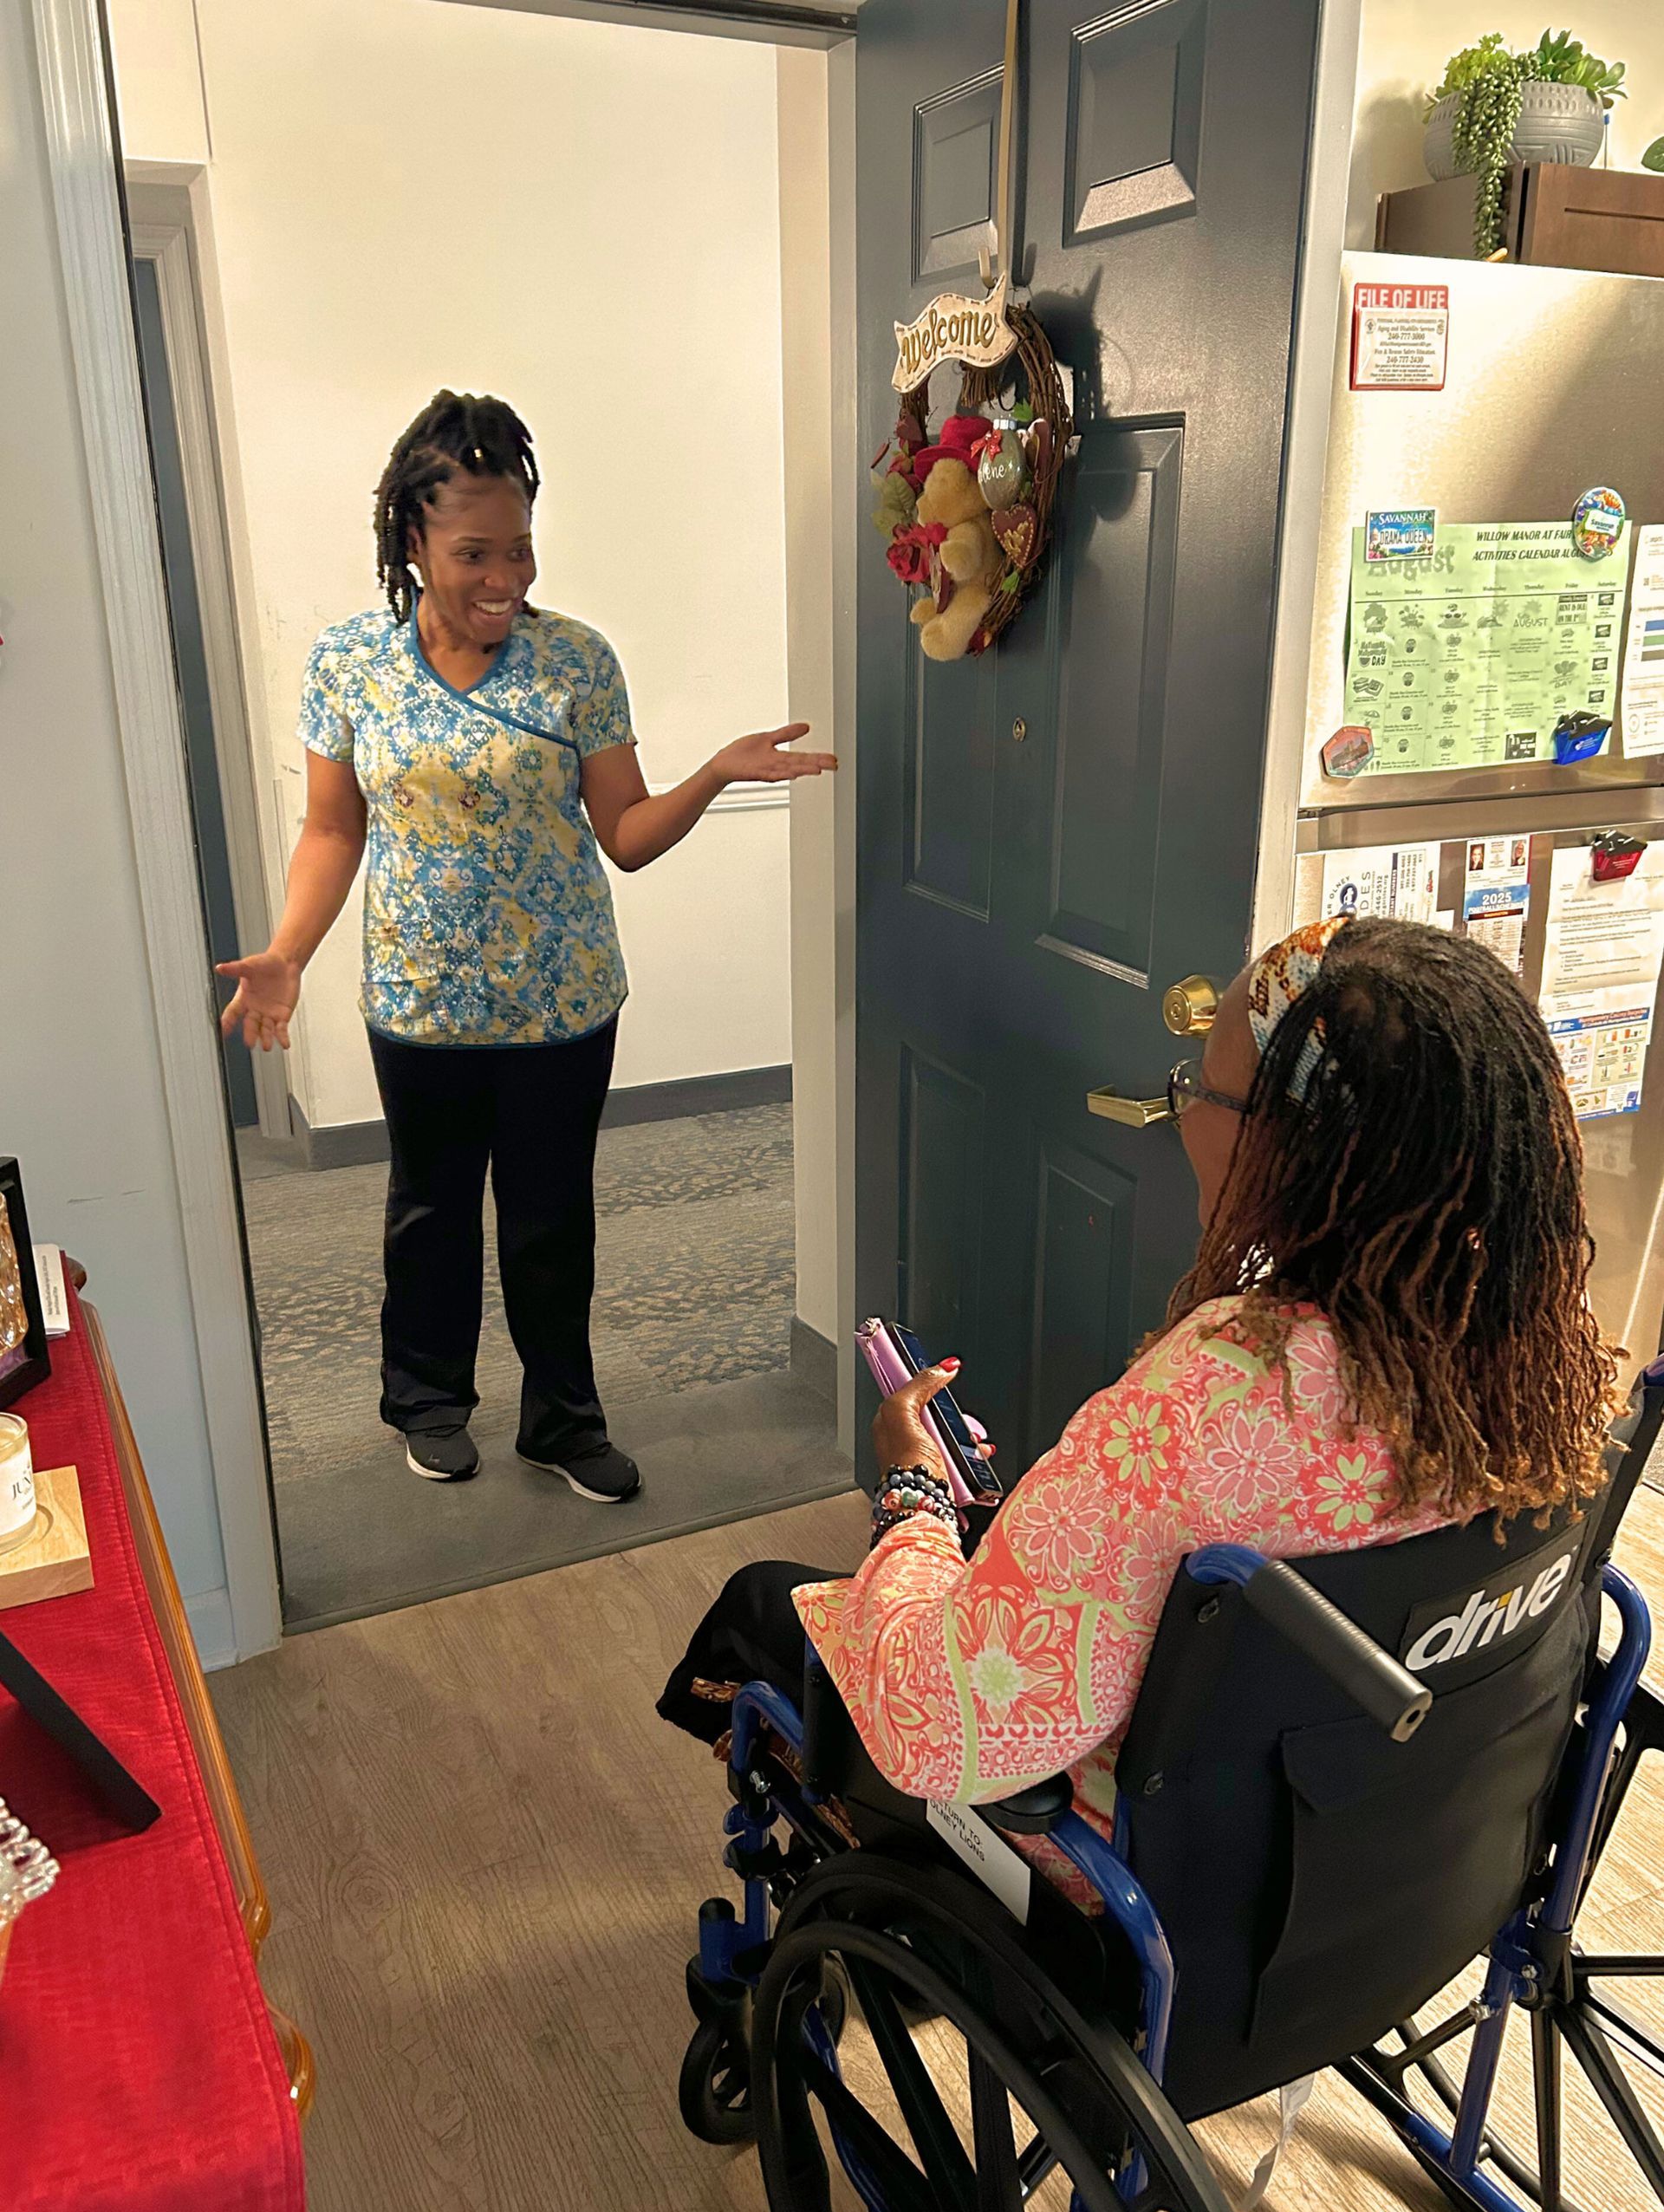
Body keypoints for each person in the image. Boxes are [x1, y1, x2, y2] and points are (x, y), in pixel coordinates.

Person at [660, 916, 1620, 1896]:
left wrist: (911, 1493)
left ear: (1294, 1146)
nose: (1184, 1114)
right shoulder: (1538, 1352)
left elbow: (944, 1726)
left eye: (1202, 1088)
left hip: (1147, 1887)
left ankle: (894, 1890)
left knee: (758, 1606)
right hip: (1389, 1862)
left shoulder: (1208, 1406)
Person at [218, 391, 834, 1494]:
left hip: (562, 1002)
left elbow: (627, 835)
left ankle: (562, 1417)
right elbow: (331, 827)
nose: (507, 576)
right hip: (418, 998)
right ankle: (427, 1399)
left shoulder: (576, 663)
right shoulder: (350, 663)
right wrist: (289, 952)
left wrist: (712, 774)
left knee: (552, 1216)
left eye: (521, 548)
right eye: (474, 553)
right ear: (412, 540)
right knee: (430, 1210)